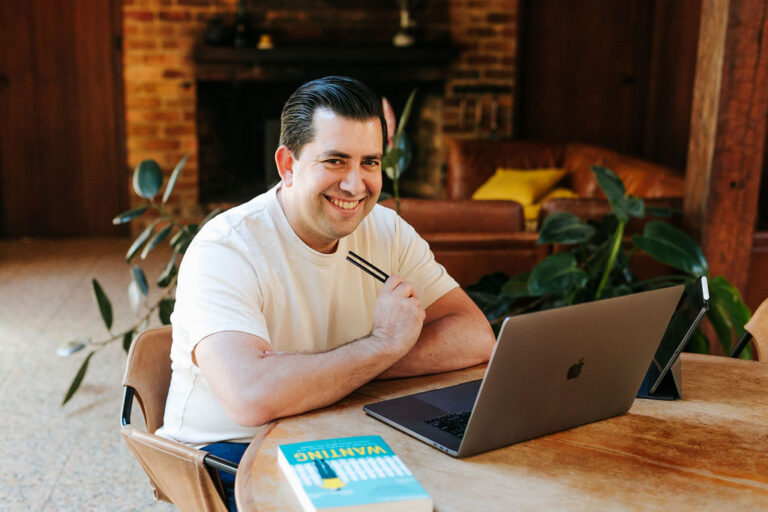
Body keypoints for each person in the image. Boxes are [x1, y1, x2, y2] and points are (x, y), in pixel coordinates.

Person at [156, 76, 495, 510]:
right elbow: (252, 397)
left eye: (370, 162)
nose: (356, 185)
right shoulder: (225, 247)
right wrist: (381, 345)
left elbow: (473, 335)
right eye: (335, 161)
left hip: (340, 433)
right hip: (231, 456)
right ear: (288, 164)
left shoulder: (387, 231)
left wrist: (342, 372)